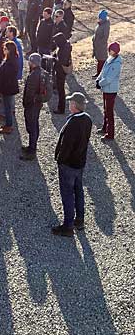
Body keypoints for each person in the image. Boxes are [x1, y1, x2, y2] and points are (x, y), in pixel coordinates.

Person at [52, 93, 93, 237]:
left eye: (70, 102)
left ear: (75, 105)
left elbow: (66, 146)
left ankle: (68, 226)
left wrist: (60, 160)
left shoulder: (72, 124)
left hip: (68, 165)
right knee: (78, 190)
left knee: (67, 194)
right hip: (80, 163)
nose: (69, 104)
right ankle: (79, 219)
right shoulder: (87, 119)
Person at [95, 42, 122, 141]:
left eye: (110, 49)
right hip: (106, 89)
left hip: (111, 90)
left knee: (109, 112)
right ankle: (104, 128)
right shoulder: (110, 58)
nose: (109, 50)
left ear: (115, 51)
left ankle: (110, 134)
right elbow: (103, 71)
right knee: (106, 110)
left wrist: (100, 83)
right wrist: (98, 79)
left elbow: (109, 78)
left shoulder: (117, 64)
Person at [21, 53, 44, 160]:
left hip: (32, 105)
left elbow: (29, 92)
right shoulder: (40, 72)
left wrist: (26, 103)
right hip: (37, 104)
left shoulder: (34, 75)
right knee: (34, 124)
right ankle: (32, 146)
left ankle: (32, 151)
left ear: (33, 62)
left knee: (32, 126)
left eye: (30, 61)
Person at [0, 41, 21, 135]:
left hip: (8, 88)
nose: (3, 50)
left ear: (9, 50)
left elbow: (8, 76)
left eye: (5, 49)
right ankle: (7, 123)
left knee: (8, 107)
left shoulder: (11, 62)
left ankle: (9, 126)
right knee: (7, 106)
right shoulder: (10, 59)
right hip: (7, 87)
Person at [51, 32, 72, 114]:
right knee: (61, 90)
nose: (55, 43)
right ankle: (61, 107)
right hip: (61, 71)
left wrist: (54, 59)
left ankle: (61, 108)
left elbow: (62, 61)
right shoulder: (65, 46)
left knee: (61, 90)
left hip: (61, 71)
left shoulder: (64, 49)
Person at [93, 10, 111, 77]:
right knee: (99, 60)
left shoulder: (106, 25)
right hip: (97, 46)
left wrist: (99, 43)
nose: (99, 19)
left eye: (100, 18)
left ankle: (100, 74)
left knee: (102, 60)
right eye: (99, 17)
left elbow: (105, 37)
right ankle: (100, 73)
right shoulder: (100, 23)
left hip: (101, 46)